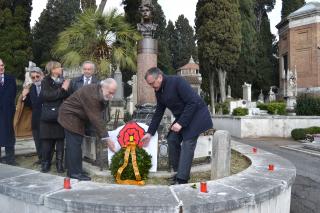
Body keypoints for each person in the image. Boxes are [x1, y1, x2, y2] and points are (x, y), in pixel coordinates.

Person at [141, 67, 213, 185]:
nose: (152, 86)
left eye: (152, 83)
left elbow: (193, 102)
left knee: (187, 143)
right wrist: (149, 133)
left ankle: (182, 179)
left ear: (159, 77)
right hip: (183, 117)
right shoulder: (159, 90)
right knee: (172, 139)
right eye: (149, 84)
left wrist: (180, 123)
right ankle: (178, 172)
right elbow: (159, 112)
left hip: (197, 114)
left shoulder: (178, 82)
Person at [58, 78, 117, 181]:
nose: (112, 96)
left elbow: (99, 114)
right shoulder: (92, 95)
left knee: (75, 144)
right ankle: (75, 173)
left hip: (76, 116)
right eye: (110, 93)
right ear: (104, 87)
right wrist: (106, 138)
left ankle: (74, 169)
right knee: (74, 145)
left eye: (113, 93)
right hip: (69, 116)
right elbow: (96, 118)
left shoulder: (99, 90)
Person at [40, 61, 70, 173]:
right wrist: (62, 89)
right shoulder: (45, 81)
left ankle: (59, 164)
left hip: (60, 114)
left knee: (60, 140)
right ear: (53, 69)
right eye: (58, 67)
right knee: (46, 141)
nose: (61, 68)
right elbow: (47, 96)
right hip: (48, 115)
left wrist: (64, 90)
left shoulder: (63, 80)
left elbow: (67, 95)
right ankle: (45, 164)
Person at [22, 67, 44, 164]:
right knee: (37, 140)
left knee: (46, 140)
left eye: (37, 76)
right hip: (35, 118)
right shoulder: (31, 88)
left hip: (46, 117)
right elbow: (29, 105)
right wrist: (24, 96)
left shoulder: (47, 86)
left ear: (41, 75)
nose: (35, 79)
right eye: (33, 77)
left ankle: (46, 159)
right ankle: (41, 158)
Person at [0, 58, 17, 165]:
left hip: (8, 113)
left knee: (9, 136)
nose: (1, 68)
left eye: (2, 65)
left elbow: (13, 93)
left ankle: (10, 160)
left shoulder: (10, 78)